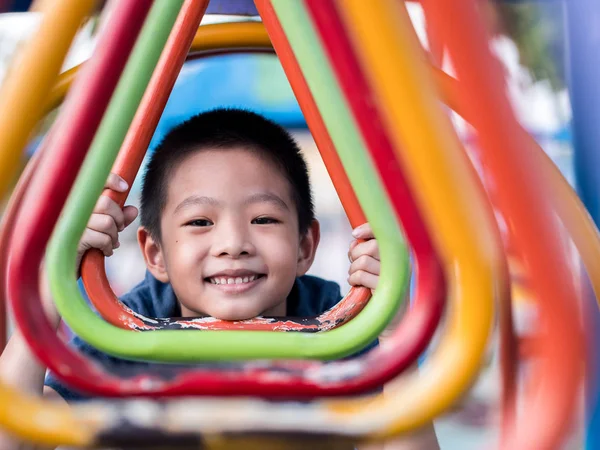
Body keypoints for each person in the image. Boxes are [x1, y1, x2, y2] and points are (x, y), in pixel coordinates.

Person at [0, 108, 438, 449]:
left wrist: (395, 332)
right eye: (199, 223)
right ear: (155, 254)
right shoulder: (127, 330)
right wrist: (50, 287)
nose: (233, 243)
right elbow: (13, 437)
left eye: (263, 218)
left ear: (305, 246)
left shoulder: (336, 327)